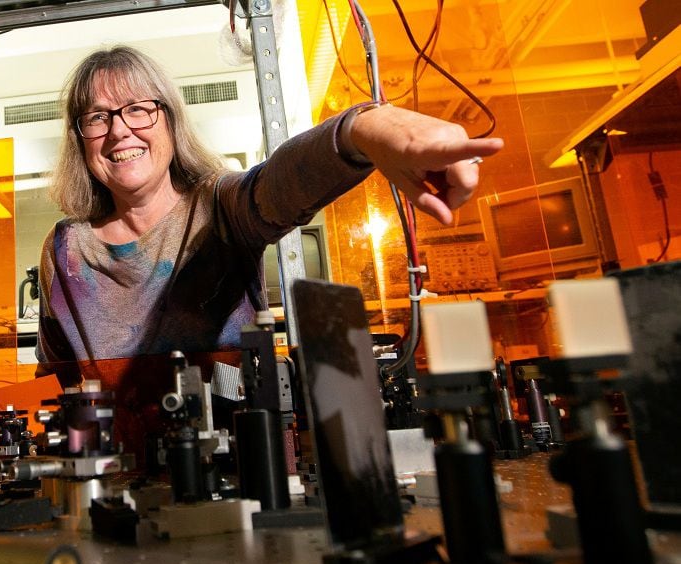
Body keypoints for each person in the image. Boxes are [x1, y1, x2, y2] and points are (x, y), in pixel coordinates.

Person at [35, 45, 503, 384]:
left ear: (171, 122)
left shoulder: (219, 208)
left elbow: (280, 182)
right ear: (80, 139)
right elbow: (58, 378)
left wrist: (370, 130)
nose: (120, 131)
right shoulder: (65, 250)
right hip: (112, 491)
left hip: (241, 479)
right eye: (97, 118)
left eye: (139, 110)